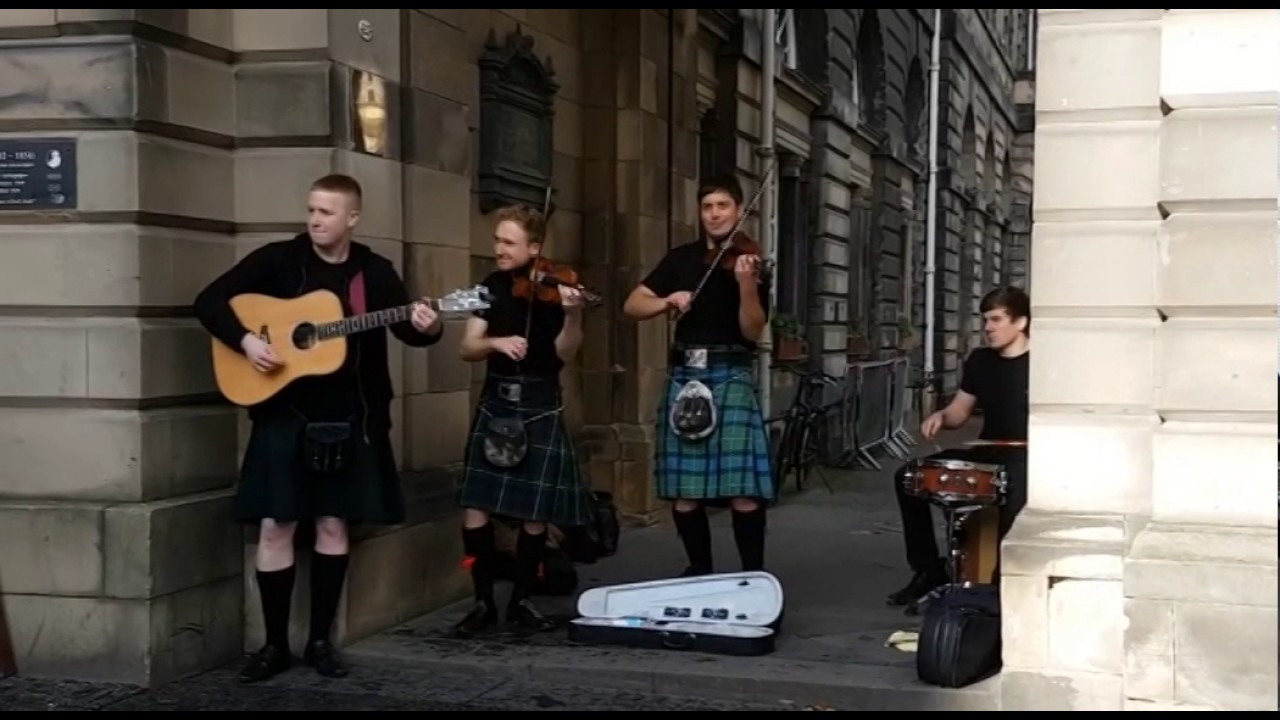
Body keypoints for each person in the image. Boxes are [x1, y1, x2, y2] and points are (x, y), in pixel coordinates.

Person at [194, 173, 445, 682]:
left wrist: (431, 323)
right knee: (276, 524)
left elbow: (409, 332)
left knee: (333, 523)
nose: (314, 220)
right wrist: (246, 342)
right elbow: (210, 301)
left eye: (326, 212)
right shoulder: (278, 259)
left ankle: (320, 642)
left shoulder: (373, 272)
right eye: (311, 210)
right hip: (284, 414)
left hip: (350, 417)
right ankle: (273, 645)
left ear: (352, 217)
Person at [622, 174, 774, 578]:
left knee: (744, 492)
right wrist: (665, 301)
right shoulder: (681, 259)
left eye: (723, 206)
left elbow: (753, 329)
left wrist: (745, 285)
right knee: (686, 494)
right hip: (686, 372)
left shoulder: (751, 264)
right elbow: (633, 304)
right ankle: (699, 572)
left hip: (730, 373)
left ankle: (751, 575)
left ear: (738, 210)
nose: (714, 214)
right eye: (707, 207)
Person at [454, 203, 592, 636]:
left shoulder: (557, 289)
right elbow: (467, 347)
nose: (499, 249)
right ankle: (481, 601)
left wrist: (572, 314)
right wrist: (496, 342)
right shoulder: (490, 287)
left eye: (508, 242)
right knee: (475, 507)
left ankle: (521, 600)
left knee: (535, 513)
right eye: (498, 240)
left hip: (538, 402)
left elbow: (565, 354)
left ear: (534, 247)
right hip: (496, 401)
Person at [886, 286, 1030, 610]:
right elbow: (960, 411)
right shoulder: (980, 360)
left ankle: (997, 589)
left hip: (1026, 455)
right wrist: (941, 416)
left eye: (996, 319)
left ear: (1020, 322)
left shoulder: (1041, 363)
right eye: (985, 320)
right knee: (908, 478)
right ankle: (927, 570)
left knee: (1016, 503)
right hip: (989, 451)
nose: (988, 328)